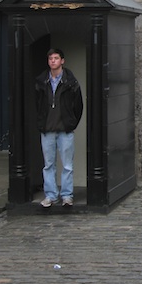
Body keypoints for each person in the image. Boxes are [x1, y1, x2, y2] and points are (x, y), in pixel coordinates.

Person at [35, 48, 83, 208]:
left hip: (65, 129)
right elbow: (37, 104)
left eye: (56, 58)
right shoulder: (41, 82)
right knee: (49, 165)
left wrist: (71, 123)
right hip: (47, 128)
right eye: (50, 58)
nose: (53, 61)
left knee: (67, 165)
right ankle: (51, 195)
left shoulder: (71, 82)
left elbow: (78, 105)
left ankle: (67, 195)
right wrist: (41, 122)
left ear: (62, 61)